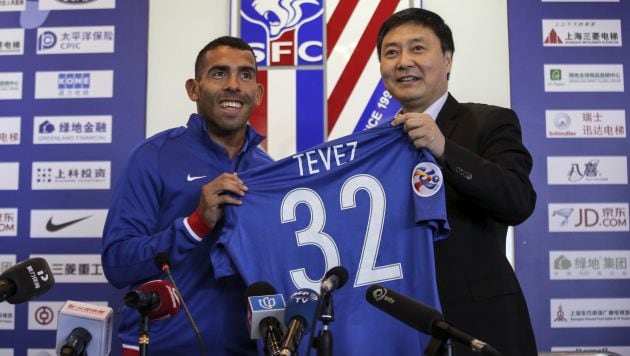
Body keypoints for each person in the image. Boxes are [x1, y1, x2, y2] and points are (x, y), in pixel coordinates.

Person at [377, 8, 538, 356]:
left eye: (418, 48)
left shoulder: (490, 122)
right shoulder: (373, 148)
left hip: (478, 324)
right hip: (399, 324)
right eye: (391, 53)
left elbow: (518, 200)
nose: (403, 62)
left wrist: (444, 149)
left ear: (447, 59)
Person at [101, 36, 271, 355]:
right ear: (194, 89)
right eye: (219, 73)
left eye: (246, 75)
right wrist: (194, 225)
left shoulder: (268, 171)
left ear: (258, 94)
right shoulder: (153, 157)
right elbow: (117, 264)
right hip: (163, 349)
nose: (234, 84)